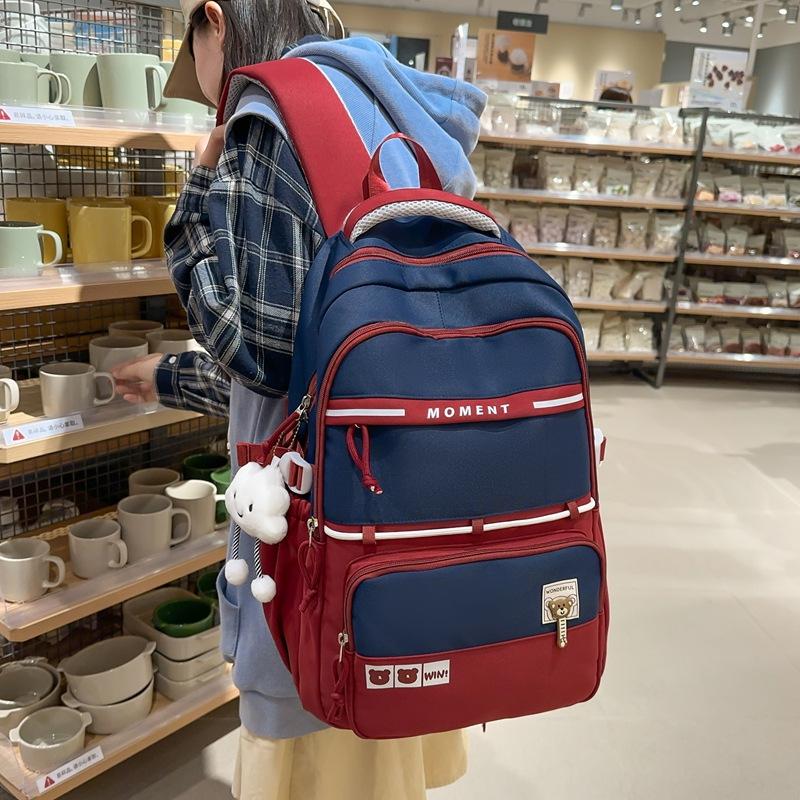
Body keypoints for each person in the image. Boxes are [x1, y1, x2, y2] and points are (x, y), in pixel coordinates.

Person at [112, 1, 486, 798]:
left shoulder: (268, 116)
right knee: (384, 730)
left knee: (312, 748)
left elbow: (265, 354)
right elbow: (323, 352)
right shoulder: (396, 106)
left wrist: (197, 199)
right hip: (412, 492)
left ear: (215, 21)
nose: (204, 87)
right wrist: (172, 376)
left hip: (315, 534)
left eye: (194, 58)